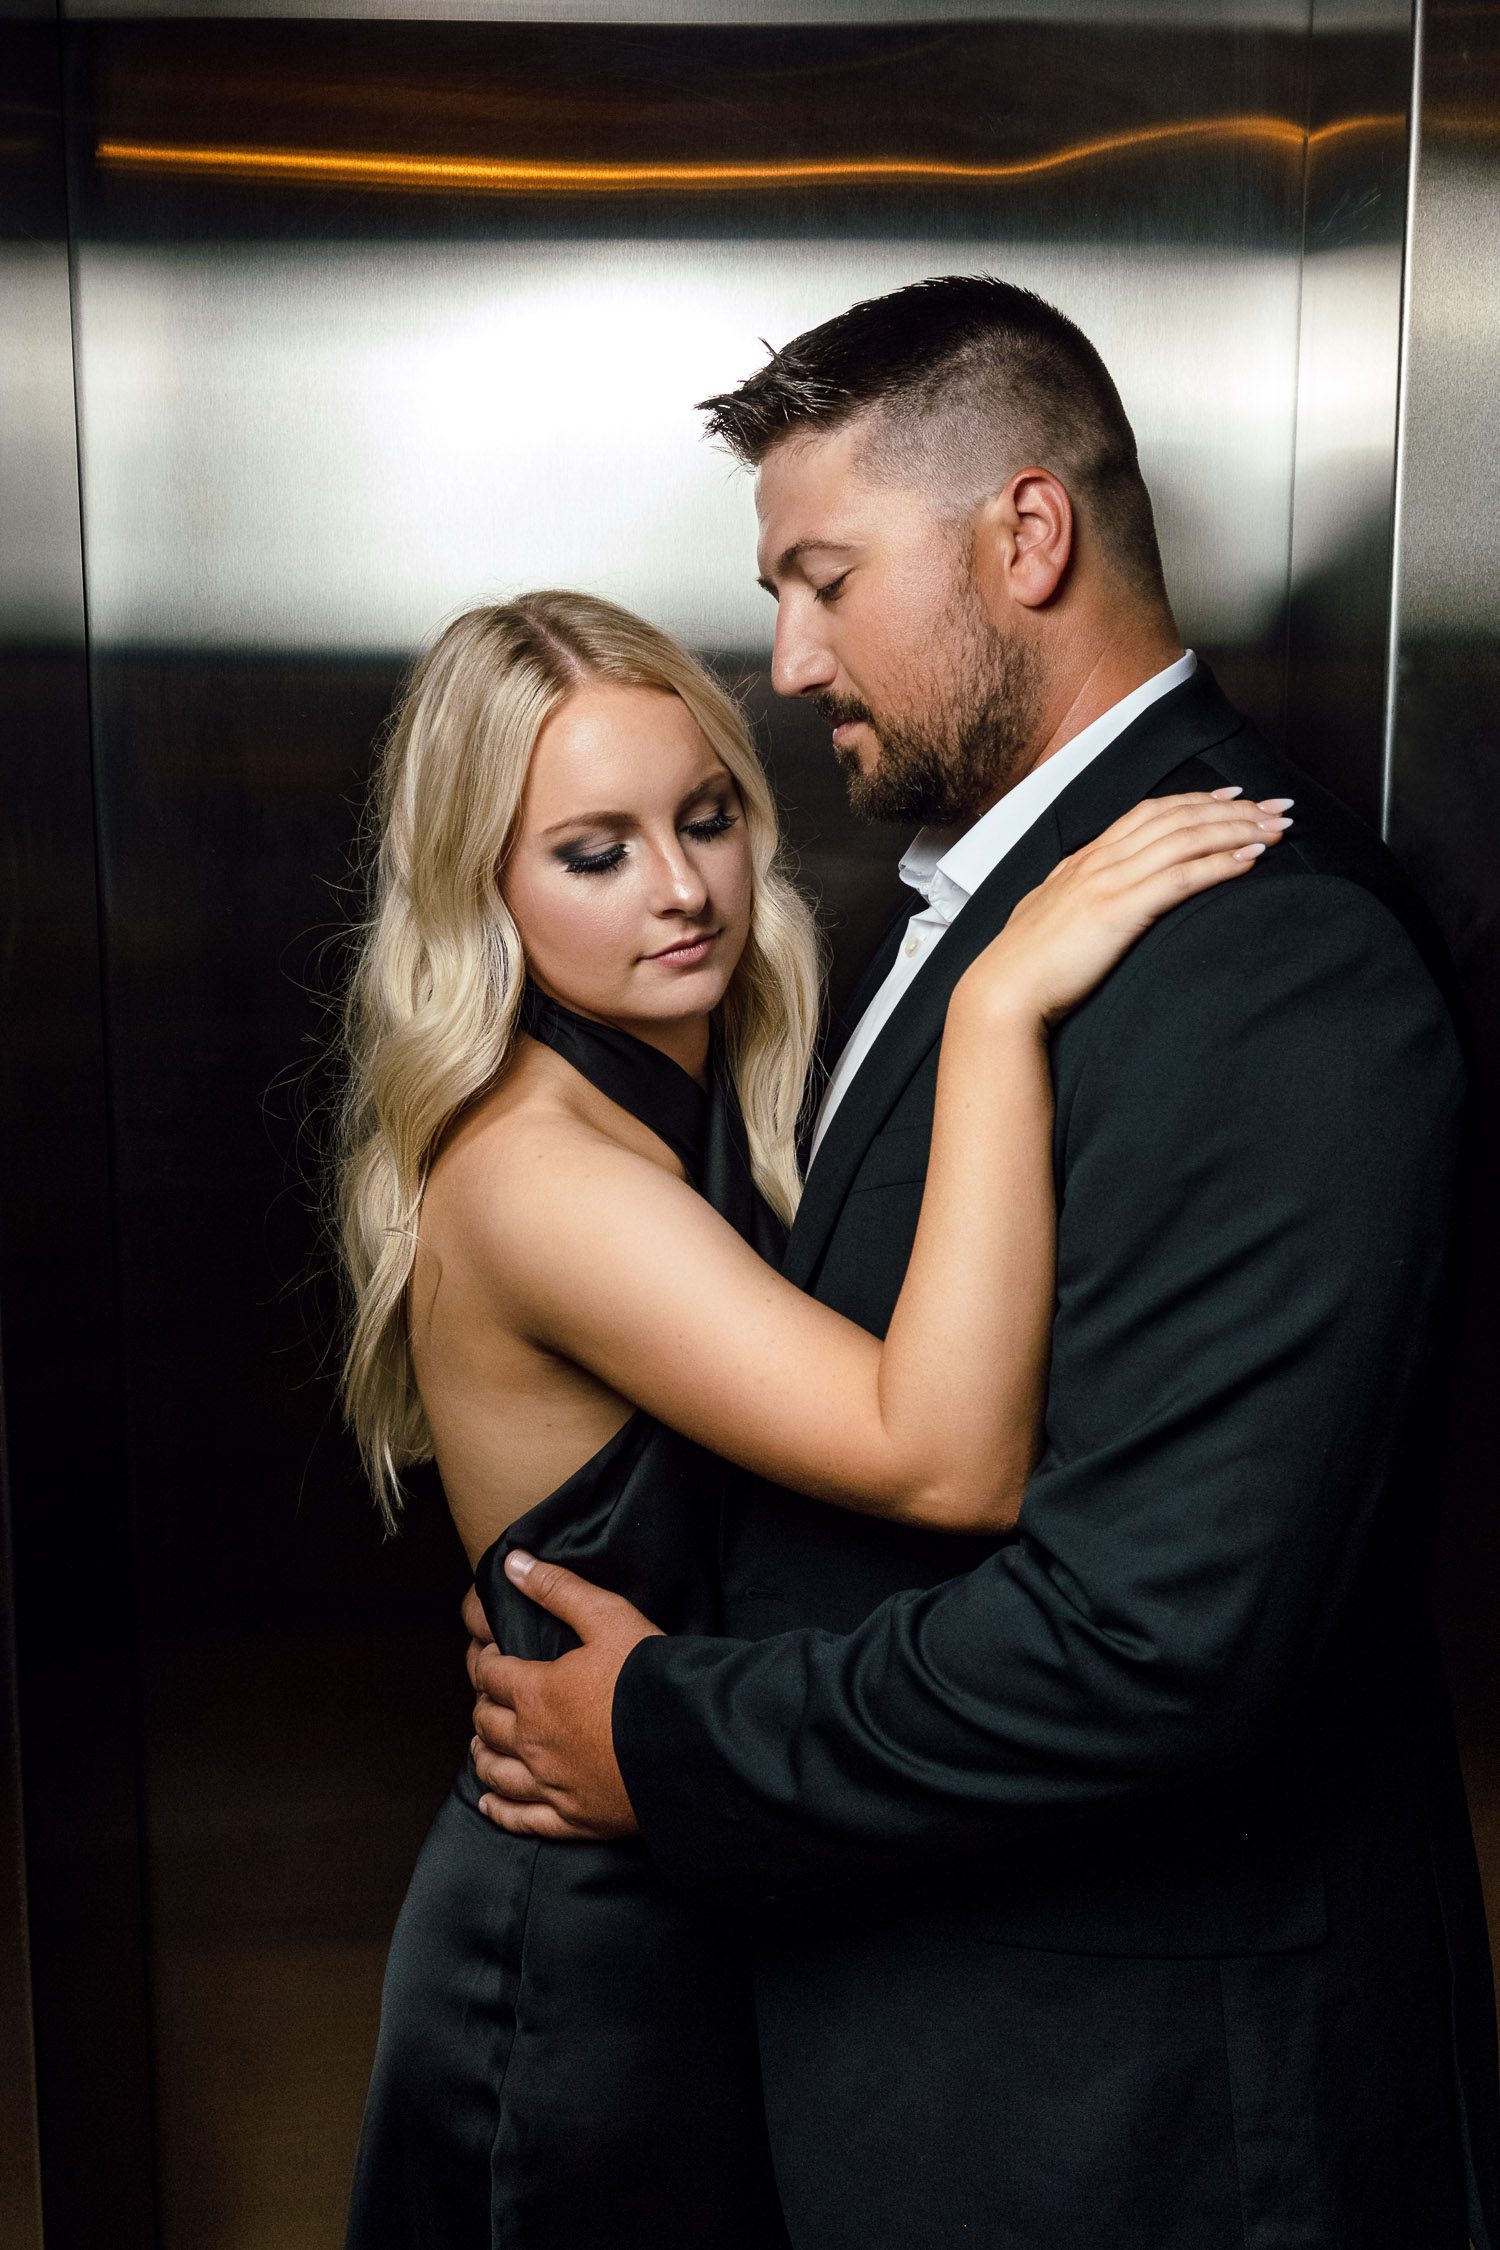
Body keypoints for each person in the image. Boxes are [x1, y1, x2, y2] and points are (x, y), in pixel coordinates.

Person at [466, 278, 1500, 2249]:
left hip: (1144, 2129)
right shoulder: (970, 909)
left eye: (826, 580)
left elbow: (1150, 1642)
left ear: (1025, 537)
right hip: (947, 2074)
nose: (785, 661)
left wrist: (670, 1740)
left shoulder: (1257, 953)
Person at [336, 585, 1282, 2248]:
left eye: (703, 819)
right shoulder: (545, 1170)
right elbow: (946, 1456)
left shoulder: (688, 1099)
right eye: (594, 851)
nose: (686, 889)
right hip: (579, 1952)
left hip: (712, 1894)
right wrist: (1000, 1001)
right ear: (479, 883)